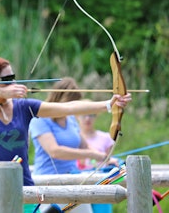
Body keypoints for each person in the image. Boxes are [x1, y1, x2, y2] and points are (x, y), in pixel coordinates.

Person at [0, 57, 131, 189]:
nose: (14, 83)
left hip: (24, 186)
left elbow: (67, 108)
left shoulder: (24, 107)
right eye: (7, 79)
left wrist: (108, 104)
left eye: (14, 77)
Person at [29, 77, 118, 213]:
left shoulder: (70, 118)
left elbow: (84, 145)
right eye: (69, 102)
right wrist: (92, 154)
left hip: (72, 180)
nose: (71, 107)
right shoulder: (39, 120)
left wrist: (105, 158)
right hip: (48, 184)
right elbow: (55, 151)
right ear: (58, 98)